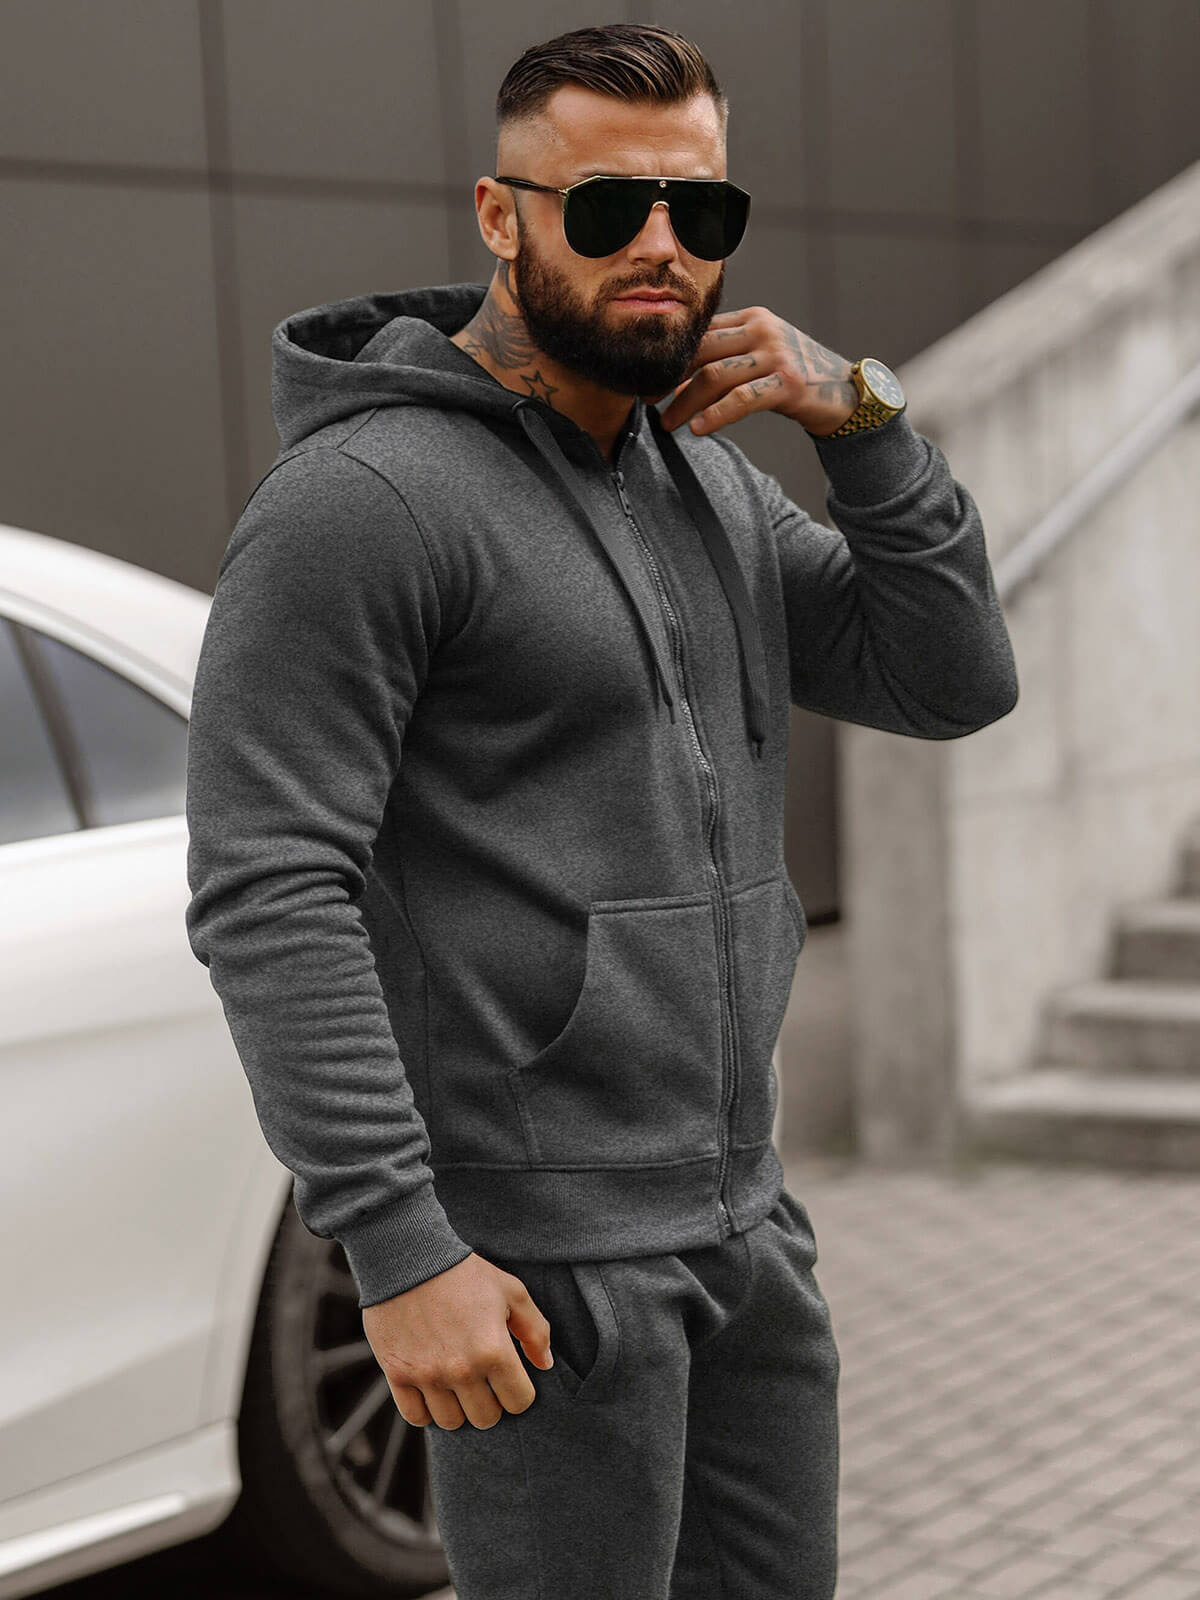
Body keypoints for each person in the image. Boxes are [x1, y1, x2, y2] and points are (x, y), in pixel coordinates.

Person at [184, 21, 1019, 1600]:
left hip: (744, 1226)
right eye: (608, 206)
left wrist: (865, 424)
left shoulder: (707, 479)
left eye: (701, 210)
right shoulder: (362, 507)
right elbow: (267, 886)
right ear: (500, 218)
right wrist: (399, 1246)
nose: (661, 247)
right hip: (533, 1264)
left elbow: (952, 677)